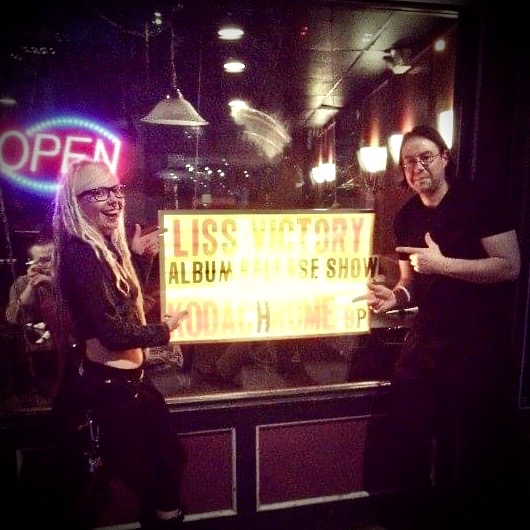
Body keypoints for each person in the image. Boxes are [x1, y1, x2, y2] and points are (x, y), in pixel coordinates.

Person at [366, 125, 522, 530]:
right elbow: (411, 282)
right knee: (405, 435)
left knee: (481, 449)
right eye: (409, 162)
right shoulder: (406, 217)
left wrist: (443, 264)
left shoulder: (479, 201)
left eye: (426, 157)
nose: (417, 167)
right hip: (429, 340)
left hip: (479, 344)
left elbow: (510, 266)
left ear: (444, 158)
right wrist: (395, 297)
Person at [50, 159, 188, 529]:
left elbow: (120, 307)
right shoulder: (82, 254)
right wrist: (163, 330)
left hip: (131, 386)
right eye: (99, 193)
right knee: (153, 474)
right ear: (76, 202)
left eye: (115, 190)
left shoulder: (102, 250)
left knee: (167, 463)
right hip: (109, 392)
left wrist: (139, 260)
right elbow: (112, 333)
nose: (114, 200)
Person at [5, 234, 58, 395]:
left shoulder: (65, 281)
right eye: (43, 260)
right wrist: (31, 285)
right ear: (31, 262)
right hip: (38, 352)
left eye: (52, 258)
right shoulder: (21, 283)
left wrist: (52, 282)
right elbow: (13, 318)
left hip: (67, 349)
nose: (49, 264)